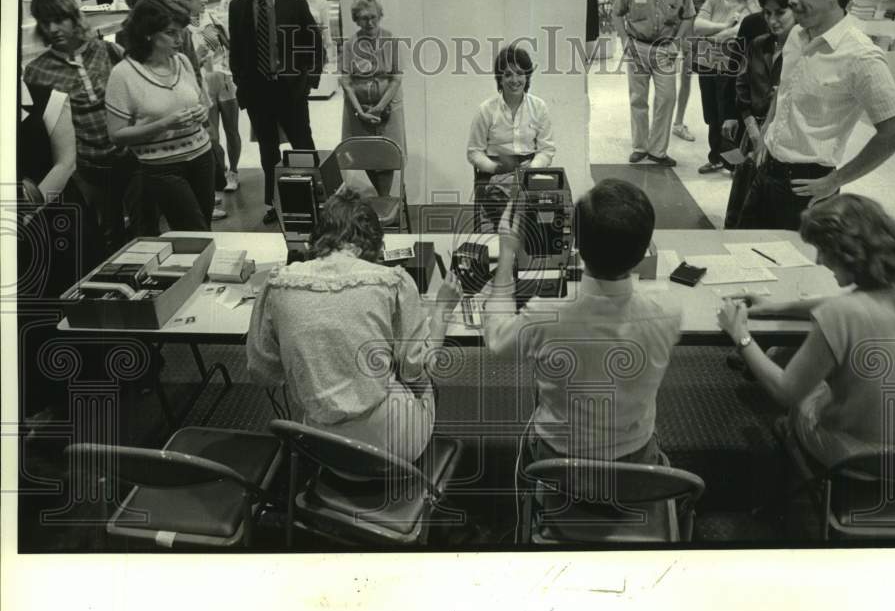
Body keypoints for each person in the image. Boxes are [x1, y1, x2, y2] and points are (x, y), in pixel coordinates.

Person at [716, 194, 895, 468]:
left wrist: (740, 334)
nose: (818, 262)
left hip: (862, 459)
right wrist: (776, 307)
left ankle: (795, 445)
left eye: (822, 250)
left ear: (847, 253)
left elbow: (784, 392)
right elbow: (863, 303)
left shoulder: (839, 315)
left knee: (796, 386)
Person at [247, 187, 463, 462]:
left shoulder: (277, 282)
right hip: (388, 448)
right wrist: (443, 307)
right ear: (373, 243)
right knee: (422, 382)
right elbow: (415, 368)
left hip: (319, 447)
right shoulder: (393, 281)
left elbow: (262, 372)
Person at [482, 178, 681, 465]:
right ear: (644, 250)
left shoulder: (544, 315)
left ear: (575, 241)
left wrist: (506, 252)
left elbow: (497, 340)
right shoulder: (669, 312)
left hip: (557, 461)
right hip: (637, 460)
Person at [738, 0, 895, 230]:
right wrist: (765, 135)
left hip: (806, 185)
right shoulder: (796, 34)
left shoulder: (861, 56)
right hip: (765, 170)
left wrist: (835, 180)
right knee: (742, 254)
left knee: (793, 269)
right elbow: (784, 91)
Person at [23, 0, 131, 256]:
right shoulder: (37, 71)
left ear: (74, 18)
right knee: (105, 237)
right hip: (85, 169)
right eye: (45, 22)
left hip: (129, 157)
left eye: (60, 19)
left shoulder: (108, 50)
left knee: (143, 230)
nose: (53, 29)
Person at [228, 0, 324, 225]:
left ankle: (315, 197)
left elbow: (314, 43)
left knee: (302, 144)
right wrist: (240, 81)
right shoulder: (237, 7)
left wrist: (309, 81)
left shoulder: (293, 2)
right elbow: (236, 49)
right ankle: (276, 204)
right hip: (258, 92)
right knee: (267, 151)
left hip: (291, 88)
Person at [105, 0, 215, 231]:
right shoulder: (123, 74)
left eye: (180, 32)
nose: (179, 39)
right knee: (193, 230)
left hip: (202, 157)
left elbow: (200, 103)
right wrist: (164, 124)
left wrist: (202, 113)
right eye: (170, 33)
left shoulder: (182, 61)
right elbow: (116, 135)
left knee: (204, 227)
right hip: (163, 167)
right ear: (148, 33)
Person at [613, 0, 695, 167]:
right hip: (638, 46)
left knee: (666, 98)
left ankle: (658, 151)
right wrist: (624, 39)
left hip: (665, 49)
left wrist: (677, 43)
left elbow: (689, 15)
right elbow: (617, 12)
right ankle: (640, 147)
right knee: (638, 99)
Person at [721, 0, 795, 228]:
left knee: (768, 207)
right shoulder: (758, 45)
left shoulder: (804, 53)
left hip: (783, 140)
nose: (772, 21)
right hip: (751, 132)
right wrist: (753, 131)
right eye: (767, 14)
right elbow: (741, 86)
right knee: (740, 198)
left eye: (780, 13)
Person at [467, 44, 555, 230]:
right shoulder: (486, 109)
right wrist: (495, 168)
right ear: (500, 78)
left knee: (550, 209)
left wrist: (531, 169)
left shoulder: (539, 107)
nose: (514, 80)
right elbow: (474, 153)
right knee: (512, 215)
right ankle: (511, 237)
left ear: (527, 76)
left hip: (529, 170)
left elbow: (546, 150)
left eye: (520, 73)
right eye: (508, 74)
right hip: (494, 175)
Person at [172, 0, 243, 209]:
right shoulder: (178, 29)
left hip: (223, 79)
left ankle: (233, 171)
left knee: (232, 130)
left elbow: (229, 47)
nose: (204, 0)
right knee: (212, 136)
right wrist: (199, 56)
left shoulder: (212, 18)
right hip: (200, 84)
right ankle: (220, 172)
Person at [693, 0, 760, 174]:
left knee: (729, 115)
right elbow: (698, 26)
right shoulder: (715, 0)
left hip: (732, 68)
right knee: (711, 115)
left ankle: (734, 163)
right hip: (707, 64)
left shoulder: (752, 5)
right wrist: (725, 27)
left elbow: (740, 33)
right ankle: (717, 158)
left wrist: (714, 36)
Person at [339, 0, 406, 198]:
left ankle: (384, 198)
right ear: (356, 20)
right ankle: (381, 197)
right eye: (363, 18)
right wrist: (360, 112)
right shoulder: (350, 45)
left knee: (387, 156)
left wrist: (377, 108)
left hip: (387, 108)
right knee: (366, 155)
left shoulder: (390, 40)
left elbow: (396, 78)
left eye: (373, 17)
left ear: (380, 16)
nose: (369, 22)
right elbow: (346, 81)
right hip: (359, 110)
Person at [669, 0, 710, 144]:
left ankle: (677, 121)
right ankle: (672, 121)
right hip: (673, 30)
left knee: (685, 77)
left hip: (689, 30)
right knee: (668, 78)